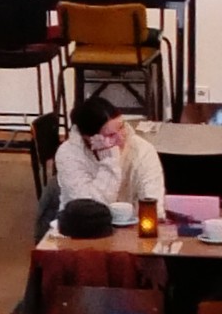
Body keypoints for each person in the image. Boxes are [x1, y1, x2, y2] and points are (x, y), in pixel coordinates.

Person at [53, 91, 164, 221]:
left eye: (122, 127)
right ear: (88, 138)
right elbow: (91, 210)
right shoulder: (68, 154)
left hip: (133, 225)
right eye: (110, 135)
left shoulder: (142, 150)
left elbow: (154, 205)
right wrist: (110, 162)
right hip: (81, 225)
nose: (121, 138)